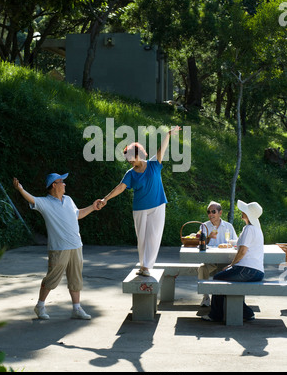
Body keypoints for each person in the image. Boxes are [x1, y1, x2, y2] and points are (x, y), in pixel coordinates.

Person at [13, 173, 102, 320]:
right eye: (62, 182)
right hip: (59, 248)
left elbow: (78, 214)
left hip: (76, 245)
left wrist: (92, 207)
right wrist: (21, 189)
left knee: (76, 279)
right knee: (51, 279)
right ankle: (40, 306)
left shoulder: (68, 200)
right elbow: (32, 199)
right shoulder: (45, 203)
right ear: (54, 185)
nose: (65, 184)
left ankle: (76, 308)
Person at [98, 126, 181, 276]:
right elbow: (120, 188)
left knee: (154, 237)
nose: (128, 160)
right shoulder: (130, 174)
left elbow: (162, 149)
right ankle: (143, 266)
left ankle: (147, 267)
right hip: (140, 208)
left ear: (138, 155)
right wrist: (105, 199)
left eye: (130, 157)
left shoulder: (154, 164)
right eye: (127, 158)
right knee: (141, 238)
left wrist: (168, 135)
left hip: (158, 205)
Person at [202, 199, 264, 322]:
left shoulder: (249, 229)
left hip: (247, 270)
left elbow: (242, 252)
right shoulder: (256, 228)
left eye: (244, 211)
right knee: (225, 282)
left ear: (248, 215)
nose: (241, 212)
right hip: (256, 271)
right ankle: (247, 313)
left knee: (218, 279)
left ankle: (215, 315)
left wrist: (231, 264)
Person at [198, 201, 237, 306]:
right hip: (210, 261)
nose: (211, 214)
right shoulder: (204, 226)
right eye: (208, 212)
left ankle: (226, 298)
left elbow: (236, 243)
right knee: (202, 268)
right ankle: (205, 297)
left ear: (220, 213)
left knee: (231, 270)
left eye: (213, 211)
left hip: (225, 261)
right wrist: (209, 237)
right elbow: (200, 245)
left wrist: (229, 245)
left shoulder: (228, 226)